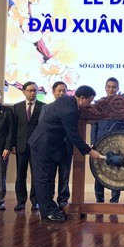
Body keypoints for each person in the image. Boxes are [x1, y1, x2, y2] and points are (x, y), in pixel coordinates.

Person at [29, 85, 102, 223]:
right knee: (43, 179)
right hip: (43, 144)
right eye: (89, 101)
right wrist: (90, 151)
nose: (89, 104)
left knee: (48, 177)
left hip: (49, 145)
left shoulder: (66, 100)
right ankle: (47, 213)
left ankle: (51, 208)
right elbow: (74, 136)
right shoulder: (70, 111)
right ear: (81, 98)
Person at [90, 77, 124, 203]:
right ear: (105, 88)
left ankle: (114, 200)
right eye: (108, 87)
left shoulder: (123, 105)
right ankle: (99, 199)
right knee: (99, 172)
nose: (111, 89)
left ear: (118, 88)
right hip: (100, 143)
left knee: (116, 171)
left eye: (114, 87)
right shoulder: (99, 103)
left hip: (116, 143)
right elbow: (94, 125)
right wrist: (93, 142)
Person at [12, 81, 45, 211]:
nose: (32, 93)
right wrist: (13, 144)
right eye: (30, 90)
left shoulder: (43, 107)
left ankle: (35, 201)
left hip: (37, 147)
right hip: (20, 146)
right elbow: (13, 128)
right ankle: (20, 201)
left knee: (36, 174)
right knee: (20, 175)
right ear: (24, 91)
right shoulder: (17, 107)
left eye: (34, 91)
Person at [39, 80, 71, 208]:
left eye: (64, 90)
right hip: (51, 148)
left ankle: (63, 201)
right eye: (59, 91)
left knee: (64, 176)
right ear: (53, 92)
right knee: (50, 176)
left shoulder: (71, 109)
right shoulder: (46, 108)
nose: (62, 93)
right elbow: (42, 128)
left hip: (66, 147)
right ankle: (50, 201)